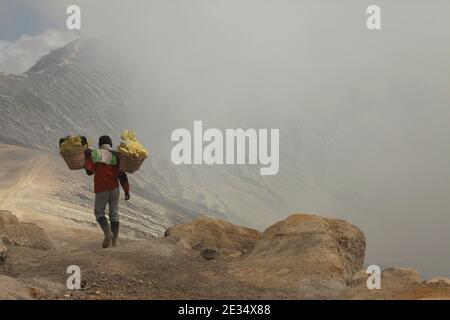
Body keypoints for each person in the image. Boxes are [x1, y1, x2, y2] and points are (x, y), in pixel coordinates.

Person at [84, 135, 130, 248]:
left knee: (99, 212)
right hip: (114, 189)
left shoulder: (95, 154)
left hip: (101, 189)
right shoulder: (117, 155)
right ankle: (115, 241)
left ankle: (108, 233)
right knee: (114, 214)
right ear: (110, 144)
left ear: (100, 144)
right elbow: (122, 175)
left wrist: (87, 158)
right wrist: (126, 191)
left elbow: (89, 172)